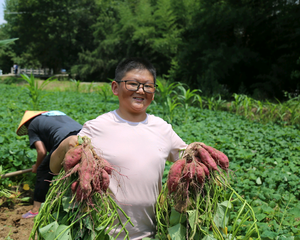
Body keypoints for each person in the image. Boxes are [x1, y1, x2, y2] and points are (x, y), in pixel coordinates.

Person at [50, 57, 188, 239]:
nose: (141, 90)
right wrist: (65, 145)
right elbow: (54, 167)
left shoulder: (162, 128)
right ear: (115, 88)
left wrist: (198, 152)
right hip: (101, 232)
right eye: (132, 84)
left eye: (148, 86)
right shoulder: (97, 127)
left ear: (153, 93)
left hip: (150, 233)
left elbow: (186, 157)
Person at [16, 110, 82, 219]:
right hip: (82, 135)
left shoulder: (32, 125)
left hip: (64, 140)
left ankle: (35, 209)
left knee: (43, 171)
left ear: (26, 124)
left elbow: (41, 151)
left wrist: (37, 167)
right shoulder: (53, 116)